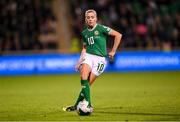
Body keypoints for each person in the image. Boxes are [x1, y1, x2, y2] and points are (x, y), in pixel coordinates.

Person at [63, 9, 122, 112]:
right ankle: (89, 104)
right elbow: (84, 49)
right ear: (85, 19)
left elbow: (118, 35)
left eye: (92, 17)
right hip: (89, 57)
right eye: (88, 17)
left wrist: (113, 51)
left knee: (86, 85)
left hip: (100, 60)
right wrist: (79, 62)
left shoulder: (101, 28)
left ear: (96, 19)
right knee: (83, 76)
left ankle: (76, 105)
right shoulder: (84, 33)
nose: (90, 19)